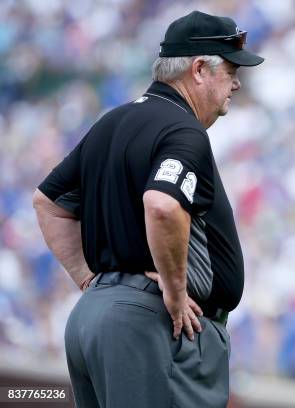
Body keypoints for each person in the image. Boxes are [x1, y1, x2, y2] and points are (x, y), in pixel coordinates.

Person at [32, 10, 263, 408]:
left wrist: (92, 283)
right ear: (199, 70)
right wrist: (174, 293)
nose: (237, 83)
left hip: (95, 318)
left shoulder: (114, 120)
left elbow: (48, 203)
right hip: (152, 325)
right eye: (230, 70)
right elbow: (161, 205)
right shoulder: (182, 129)